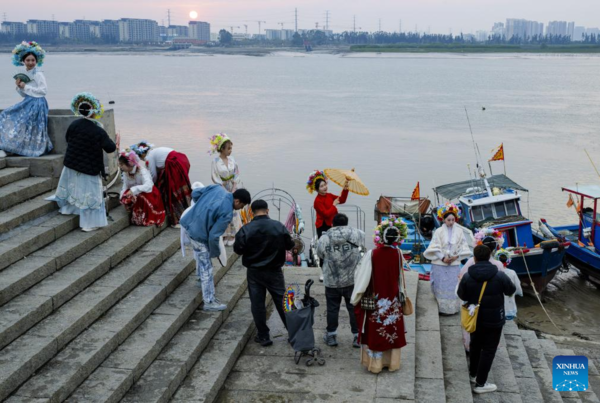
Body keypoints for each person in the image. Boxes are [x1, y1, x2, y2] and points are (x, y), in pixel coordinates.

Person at [47, 92, 116, 232]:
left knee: (73, 188)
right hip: (89, 167)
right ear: (94, 111)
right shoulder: (98, 130)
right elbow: (110, 148)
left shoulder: (74, 124)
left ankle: (69, 209)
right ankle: (88, 223)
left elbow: (68, 139)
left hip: (71, 163)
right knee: (90, 195)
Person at [234, 200, 295, 347]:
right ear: (267, 210)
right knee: (282, 301)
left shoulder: (246, 229)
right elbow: (289, 245)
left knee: (257, 303)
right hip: (274, 271)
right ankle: (294, 333)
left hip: (255, 272)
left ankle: (263, 336)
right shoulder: (278, 226)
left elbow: (238, 249)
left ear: (251, 212)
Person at [180, 184, 251, 311]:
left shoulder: (217, 188)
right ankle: (209, 301)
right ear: (237, 201)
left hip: (187, 223)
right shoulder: (227, 213)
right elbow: (213, 236)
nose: (241, 209)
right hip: (199, 235)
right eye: (242, 206)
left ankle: (207, 291)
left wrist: (201, 208)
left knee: (203, 263)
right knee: (207, 268)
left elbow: (195, 193)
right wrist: (215, 253)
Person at [457, 245, 517, 394]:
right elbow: (511, 290)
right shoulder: (499, 275)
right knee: (489, 349)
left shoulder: (467, 276)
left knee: (475, 345)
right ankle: (481, 383)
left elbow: (462, 295)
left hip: (475, 316)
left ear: (474, 258)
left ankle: (473, 374)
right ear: (490, 256)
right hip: (494, 318)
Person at [351, 219, 409, 374]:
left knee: (376, 329)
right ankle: (392, 363)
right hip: (393, 300)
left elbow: (363, 278)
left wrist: (356, 296)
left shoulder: (372, 254)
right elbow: (400, 278)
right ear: (397, 239)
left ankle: (375, 365)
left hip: (376, 301)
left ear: (381, 238)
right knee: (391, 329)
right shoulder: (398, 253)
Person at [317, 213, 364, 348]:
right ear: (347, 223)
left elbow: (320, 254)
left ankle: (331, 335)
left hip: (332, 280)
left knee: (332, 309)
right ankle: (357, 337)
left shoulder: (324, 238)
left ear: (332, 223)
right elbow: (362, 242)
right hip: (352, 279)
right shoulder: (357, 234)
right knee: (353, 308)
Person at [0, 41, 52, 157]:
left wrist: (26, 87)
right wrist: (19, 87)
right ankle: (7, 146)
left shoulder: (38, 74)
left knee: (21, 121)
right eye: (28, 60)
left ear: (36, 61)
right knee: (5, 114)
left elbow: (44, 91)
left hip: (38, 103)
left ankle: (13, 148)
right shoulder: (25, 73)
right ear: (23, 61)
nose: (30, 62)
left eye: (33, 60)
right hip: (28, 101)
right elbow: (24, 94)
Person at [458, 229, 507, 352]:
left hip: (474, 299)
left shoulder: (471, 261)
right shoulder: (498, 265)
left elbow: (461, 276)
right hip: (492, 302)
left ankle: (470, 346)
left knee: (473, 323)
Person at [423, 203, 472, 314]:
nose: (451, 222)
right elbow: (434, 246)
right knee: (440, 285)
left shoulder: (459, 231)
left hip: (454, 262)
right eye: (448, 220)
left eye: (453, 220)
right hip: (440, 262)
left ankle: (452, 308)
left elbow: (463, 246)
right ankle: (441, 308)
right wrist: (442, 258)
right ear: (444, 220)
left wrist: (456, 257)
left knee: (452, 285)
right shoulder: (438, 232)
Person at [131, 141, 192, 227]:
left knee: (173, 193)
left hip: (174, 165)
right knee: (181, 190)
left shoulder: (149, 158)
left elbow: (153, 176)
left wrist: (152, 189)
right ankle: (188, 213)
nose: (141, 159)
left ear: (142, 154)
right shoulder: (154, 151)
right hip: (182, 160)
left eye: (140, 157)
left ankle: (177, 219)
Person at [118, 150, 166, 227]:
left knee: (140, 196)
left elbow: (148, 185)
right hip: (136, 192)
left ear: (129, 164)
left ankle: (143, 214)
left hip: (149, 193)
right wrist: (122, 197)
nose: (120, 166)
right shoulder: (125, 173)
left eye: (121, 164)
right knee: (125, 196)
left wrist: (133, 190)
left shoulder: (142, 171)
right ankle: (132, 208)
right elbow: (125, 186)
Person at [210, 133, 241, 246]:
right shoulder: (215, 161)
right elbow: (214, 176)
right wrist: (223, 189)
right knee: (223, 211)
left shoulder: (232, 160)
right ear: (222, 148)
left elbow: (236, 174)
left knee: (233, 210)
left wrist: (233, 188)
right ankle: (224, 234)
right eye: (228, 148)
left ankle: (233, 234)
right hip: (221, 188)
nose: (230, 151)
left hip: (233, 187)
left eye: (231, 148)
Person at [307, 170, 349, 239]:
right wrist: (334, 205)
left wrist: (345, 189)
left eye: (325, 184)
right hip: (323, 226)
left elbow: (342, 200)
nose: (325, 187)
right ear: (317, 190)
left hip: (333, 224)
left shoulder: (329, 195)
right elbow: (326, 214)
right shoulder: (317, 201)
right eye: (321, 186)